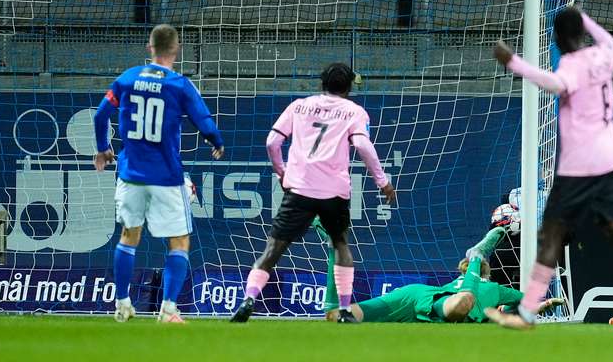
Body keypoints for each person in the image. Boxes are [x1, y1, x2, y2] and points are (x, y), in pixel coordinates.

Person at [485, 6, 613, 331]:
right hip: (611, 160)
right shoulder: (604, 54)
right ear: (583, 29)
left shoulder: (570, 65)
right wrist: (585, 19)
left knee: (551, 234)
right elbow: (610, 40)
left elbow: (554, 84)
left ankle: (527, 314)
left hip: (579, 166)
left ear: (557, 37)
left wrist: (512, 62)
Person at [230, 62, 396, 324]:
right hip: (334, 193)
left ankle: (248, 299)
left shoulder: (298, 106)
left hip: (300, 189)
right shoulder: (355, 112)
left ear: (322, 84)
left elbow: (272, 141)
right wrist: (382, 181)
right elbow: (363, 145)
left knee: (273, 248)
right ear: (349, 87)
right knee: (340, 244)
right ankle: (343, 311)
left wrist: (282, 173)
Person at [93, 24, 225, 324]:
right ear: (176, 50)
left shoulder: (127, 78)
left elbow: (101, 114)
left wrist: (103, 148)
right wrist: (216, 141)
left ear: (149, 47)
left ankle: (123, 304)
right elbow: (203, 120)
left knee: (128, 237)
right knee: (179, 241)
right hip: (166, 176)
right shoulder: (179, 84)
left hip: (131, 173)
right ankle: (167, 310)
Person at [320, 225, 563, 323]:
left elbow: (510, 311)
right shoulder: (493, 289)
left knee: (337, 315)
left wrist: (539, 307)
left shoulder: (472, 288)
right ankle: (478, 254)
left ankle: (334, 248)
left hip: (413, 295)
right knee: (463, 304)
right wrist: (541, 305)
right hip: (444, 303)